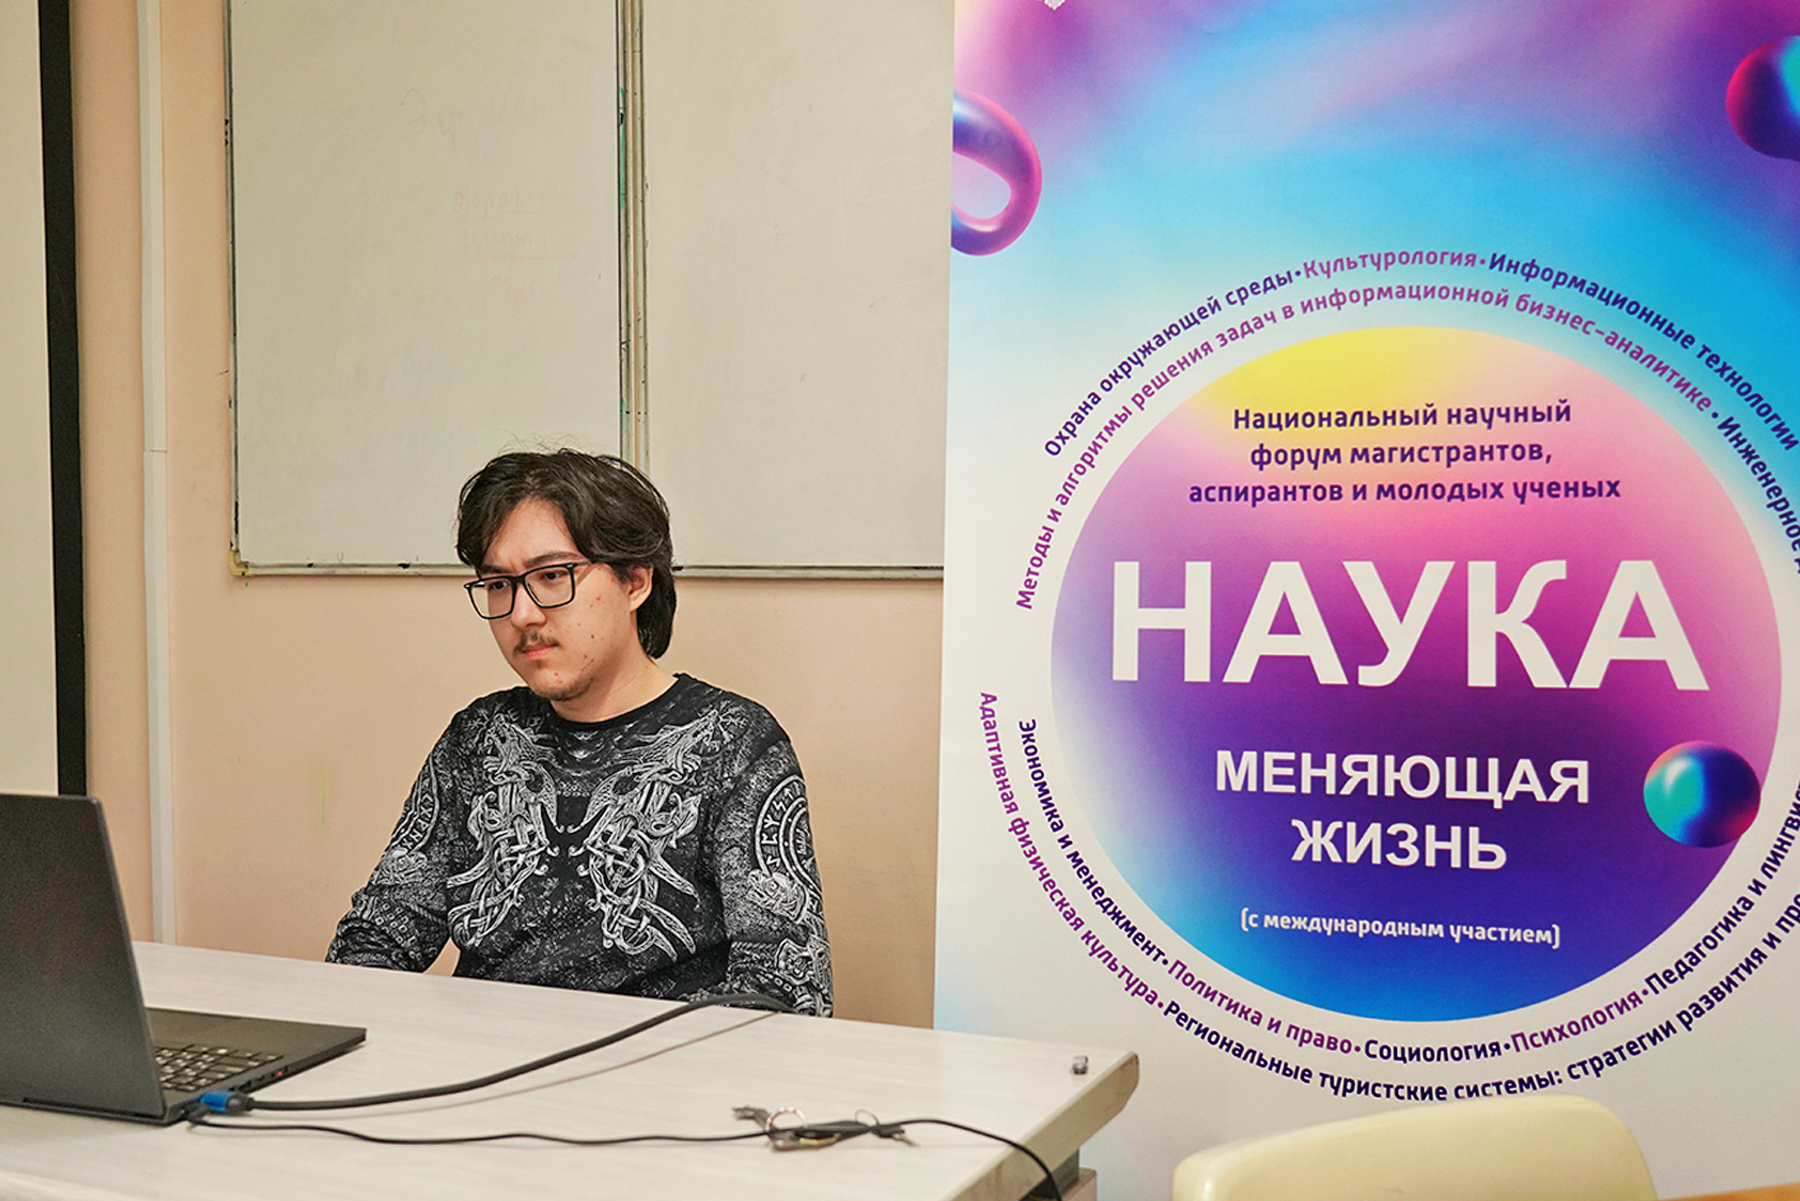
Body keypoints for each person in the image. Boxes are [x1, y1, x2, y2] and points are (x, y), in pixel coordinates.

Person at [326, 449, 832, 1015]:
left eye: (552, 576)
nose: (522, 614)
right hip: (479, 1056)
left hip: (653, 1063)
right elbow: (380, 932)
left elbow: (786, 989)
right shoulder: (480, 738)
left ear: (635, 580)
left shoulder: (734, 743)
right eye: (499, 584)